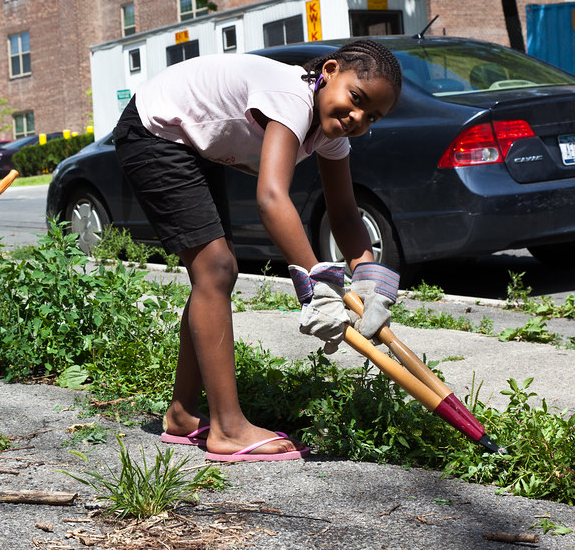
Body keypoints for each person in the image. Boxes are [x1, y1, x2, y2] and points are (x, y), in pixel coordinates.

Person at [112, 39, 403, 462]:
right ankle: (228, 429)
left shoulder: (329, 133)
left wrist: (369, 280)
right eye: (356, 99)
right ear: (330, 71)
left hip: (190, 140)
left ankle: (182, 414)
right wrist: (317, 285)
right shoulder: (292, 97)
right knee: (216, 268)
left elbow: (343, 214)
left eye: (371, 116)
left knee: (215, 271)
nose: (357, 117)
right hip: (153, 128)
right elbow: (270, 197)